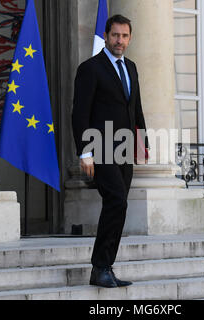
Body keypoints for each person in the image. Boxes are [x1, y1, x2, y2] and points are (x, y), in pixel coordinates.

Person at [72, 14, 149, 288]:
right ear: (106, 36)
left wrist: (143, 143)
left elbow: (135, 108)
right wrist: (85, 152)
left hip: (125, 148)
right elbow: (79, 113)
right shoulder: (90, 68)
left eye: (125, 36)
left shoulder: (132, 67)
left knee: (118, 206)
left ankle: (105, 268)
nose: (120, 40)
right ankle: (100, 266)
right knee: (117, 200)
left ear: (130, 38)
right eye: (115, 35)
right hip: (100, 147)